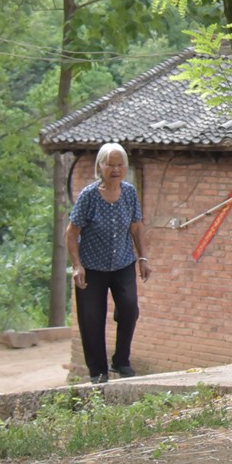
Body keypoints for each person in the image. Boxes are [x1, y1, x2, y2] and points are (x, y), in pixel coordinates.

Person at [65, 142, 152, 384]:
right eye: (110, 164)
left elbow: (136, 226)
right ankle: (98, 373)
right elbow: (71, 233)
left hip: (123, 263)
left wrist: (142, 257)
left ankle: (121, 361)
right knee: (91, 319)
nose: (115, 169)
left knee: (129, 308)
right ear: (100, 167)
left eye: (120, 165)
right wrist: (77, 265)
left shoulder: (129, 193)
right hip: (92, 267)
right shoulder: (89, 196)